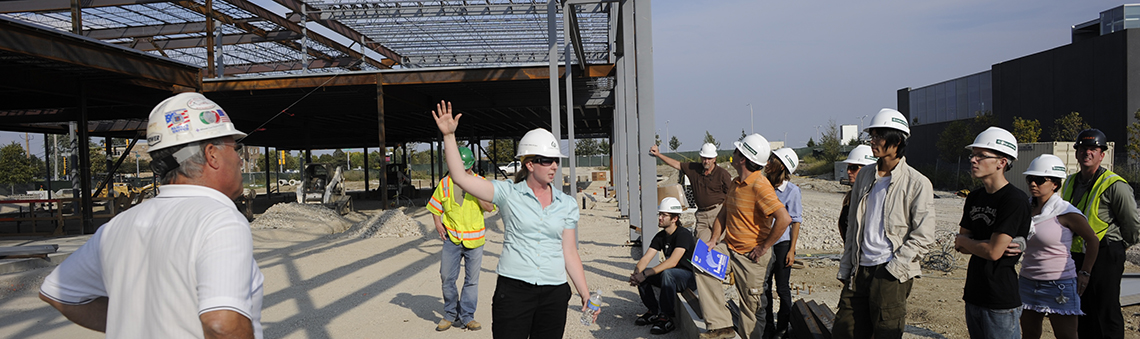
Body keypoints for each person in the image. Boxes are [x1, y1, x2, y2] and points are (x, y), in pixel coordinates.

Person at [39, 92, 264, 338]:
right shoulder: (220, 220)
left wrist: (134, 324)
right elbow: (223, 325)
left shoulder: (120, 225)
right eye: (236, 148)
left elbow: (58, 292)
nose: (240, 160)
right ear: (211, 154)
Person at [431, 101, 598, 339]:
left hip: (555, 293)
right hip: (514, 292)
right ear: (529, 164)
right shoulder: (508, 193)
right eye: (546, 160)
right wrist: (449, 136)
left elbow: (569, 252)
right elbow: (459, 176)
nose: (553, 166)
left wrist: (585, 292)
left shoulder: (567, 204)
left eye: (556, 160)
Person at [835, 108, 936, 339]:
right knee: (844, 329)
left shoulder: (917, 182)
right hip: (860, 269)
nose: (873, 141)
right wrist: (847, 266)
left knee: (884, 332)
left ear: (897, 140)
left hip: (889, 271)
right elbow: (853, 227)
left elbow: (924, 235)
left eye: (880, 136)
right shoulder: (864, 176)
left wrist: (895, 269)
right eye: (872, 136)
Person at [702, 133, 793, 339]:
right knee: (702, 264)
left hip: (751, 257)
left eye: (736, 151)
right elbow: (724, 213)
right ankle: (721, 325)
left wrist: (763, 247)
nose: (733, 154)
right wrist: (714, 240)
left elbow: (784, 219)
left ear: (742, 158)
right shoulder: (735, 183)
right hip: (730, 248)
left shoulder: (760, 186)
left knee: (751, 308)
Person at [649, 142, 737, 337]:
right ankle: (705, 285)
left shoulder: (722, 174)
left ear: (715, 158)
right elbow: (677, 165)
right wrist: (659, 155)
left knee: (718, 252)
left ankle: (721, 279)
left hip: (719, 213)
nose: (705, 161)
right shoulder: (695, 169)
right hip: (702, 216)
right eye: (703, 158)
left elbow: (733, 196)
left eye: (709, 158)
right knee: (702, 255)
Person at [1061, 129, 1140, 339]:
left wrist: (1120, 246)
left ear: (1101, 155)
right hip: (1078, 254)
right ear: (1076, 152)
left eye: (1093, 149)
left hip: (1105, 253)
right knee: (1083, 310)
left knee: (1105, 309)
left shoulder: (1115, 185)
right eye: (1083, 148)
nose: (1087, 153)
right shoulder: (1070, 182)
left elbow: (1132, 223)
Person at [954, 126, 1031, 339]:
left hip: (1000, 300)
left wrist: (969, 242)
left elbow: (993, 252)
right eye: (973, 155)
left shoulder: (1014, 200)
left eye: (981, 155)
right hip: (974, 294)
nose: (973, 160)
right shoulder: (974, 197)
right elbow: (959, 245)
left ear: (1002, 162)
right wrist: (976, 244)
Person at [1018, 154, 1099, 339]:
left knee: (1066, 336)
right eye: (1030, 179)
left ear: (1055, 183)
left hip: (1059, 285)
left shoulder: (1066, 212)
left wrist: (1085, 273)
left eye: (1039, 180)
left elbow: (1093, 240)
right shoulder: (1025, 209)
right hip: (1027, 282)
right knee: (1029, 334)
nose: (1033, 184)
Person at [428, 146, 497, 332]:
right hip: (452, 239)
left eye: (464, 168)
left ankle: (467, 316)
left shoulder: (481, 182)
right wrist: (438, 222)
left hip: (474, 242)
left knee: (471, 281)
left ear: (471, 165)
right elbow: (435, 205)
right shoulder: (445, 183)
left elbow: (490, 208)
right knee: (446, 277)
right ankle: (450, 314)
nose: (461, 172)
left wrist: (472, 188)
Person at [630, 197, 697, 335]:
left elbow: (673, 261)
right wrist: (637, 274)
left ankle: (666, 317)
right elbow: (646, 258)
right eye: (660, 214)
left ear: (674, 218)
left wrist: (645, 274)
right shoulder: (660, 236)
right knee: (646, 274)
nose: (660, 218)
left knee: (666, 273)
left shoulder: (683, 235)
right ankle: (653, 311)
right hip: (672, 276)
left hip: (688, 277)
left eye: (664, 215)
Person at [762, 148, 803, 339]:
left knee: (783, 288)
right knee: (764, 287)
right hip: (763, 243)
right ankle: (768, 325)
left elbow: (795, 221)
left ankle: (783, 327)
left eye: (772, 160)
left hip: (782, 244)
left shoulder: (792, 192)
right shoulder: (763, 186)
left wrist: (792, 250)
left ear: (781, 166)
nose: (768, 162)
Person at [838, 145, 876, 240]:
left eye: (854, 168)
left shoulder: (876, 196)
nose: (849, 171)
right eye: (848, 167)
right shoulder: (850, 198)